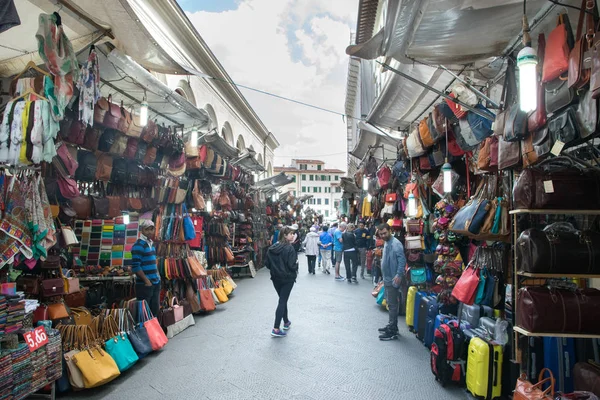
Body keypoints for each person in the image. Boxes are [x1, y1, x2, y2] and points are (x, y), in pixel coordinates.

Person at [265, 226, 299, 338]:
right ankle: (275, 328)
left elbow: (267, 264)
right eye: (291, 233)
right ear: (285, 235)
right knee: (282, 301)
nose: (293, 235)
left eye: (293, 233)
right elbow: (292, 265)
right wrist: (297, 264)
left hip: (276, 278)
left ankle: (286, 321)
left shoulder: (272, 248)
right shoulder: (289, 248)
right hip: (287, 278)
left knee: (282, 299)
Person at [377, 224, 406, 341]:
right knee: (390, 303)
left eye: (385, 233)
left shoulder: (396, 244)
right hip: (387, 278)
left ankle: (392, 330)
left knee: (393, 305)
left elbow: (402, 260)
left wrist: (398, 275)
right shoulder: (387, 242)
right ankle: (391, 325)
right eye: (381, 234)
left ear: (390, 230)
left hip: (393, 278)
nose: (383, 235)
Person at [132, 220, 161, 318]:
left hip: (155, 282)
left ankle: (153, 332)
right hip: (145, 285)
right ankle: (144, 332)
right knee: (144, 313)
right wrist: (146, 280)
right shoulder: (138, 245)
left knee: (154, 310)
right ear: (142, 230)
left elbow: (153, 262)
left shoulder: (151, 244)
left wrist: (157, 276)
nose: (149, 231)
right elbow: (135, 266)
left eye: (151, 229)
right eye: (147, 229)